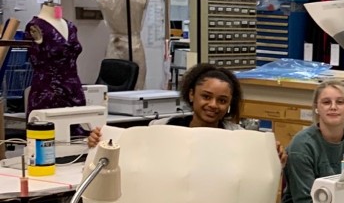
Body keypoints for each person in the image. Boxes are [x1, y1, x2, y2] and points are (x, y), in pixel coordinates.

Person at [86, 64, 285, 162]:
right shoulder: (162, 128)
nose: (213, 105)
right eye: (206, 96)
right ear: (191, 95)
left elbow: (259, 167)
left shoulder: (238, 136)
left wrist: (273, 154)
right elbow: (132, 156)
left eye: (222, 100)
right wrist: (101, 142)